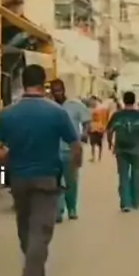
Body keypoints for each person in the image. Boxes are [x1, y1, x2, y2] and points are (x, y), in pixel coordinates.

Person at [0, 64, 82, 276]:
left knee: (26, 232)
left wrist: (9, 160)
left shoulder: (8, 113)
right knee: (40, 234)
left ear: (23, 82)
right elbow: (76, 146)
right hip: (46, 179)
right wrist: (72, 170)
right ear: (44, 83)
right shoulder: (56, 113)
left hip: (19, 180)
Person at [49, 78, 91, 221]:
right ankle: (58, 211)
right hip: (53, 150)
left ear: (64, 90)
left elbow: (86, 121)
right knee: (55, 181)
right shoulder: (49, 107)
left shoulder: (75, 105)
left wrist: (84, 133)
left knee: (71, 181)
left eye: (59, 91)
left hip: (71, 150)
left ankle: (72, 207)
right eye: (54, 91)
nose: (57, 94)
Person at [107, 91, 139, 212]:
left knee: (123, 176)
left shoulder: (117, 115)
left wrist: (110, 144)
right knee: (136, 174)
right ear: (134, 101)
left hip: (121, 149)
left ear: (124, 101)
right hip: (136, 149)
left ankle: (125, 202)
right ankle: (135, 202)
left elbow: (109, 130)